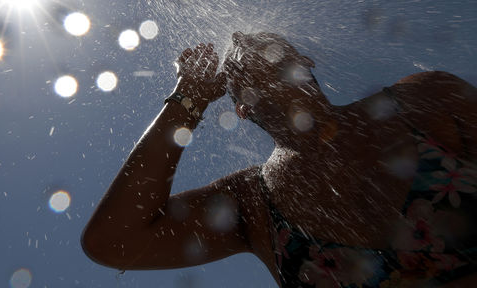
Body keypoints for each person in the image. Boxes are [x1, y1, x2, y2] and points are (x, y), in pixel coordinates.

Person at [81, 32, 477, 287]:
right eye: (242, 72)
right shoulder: (251, 204)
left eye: (269, 47)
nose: (240, 40)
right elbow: (113, 241)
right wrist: (188, 101)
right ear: (241, 107)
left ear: (305, 61)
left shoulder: (423, 101)